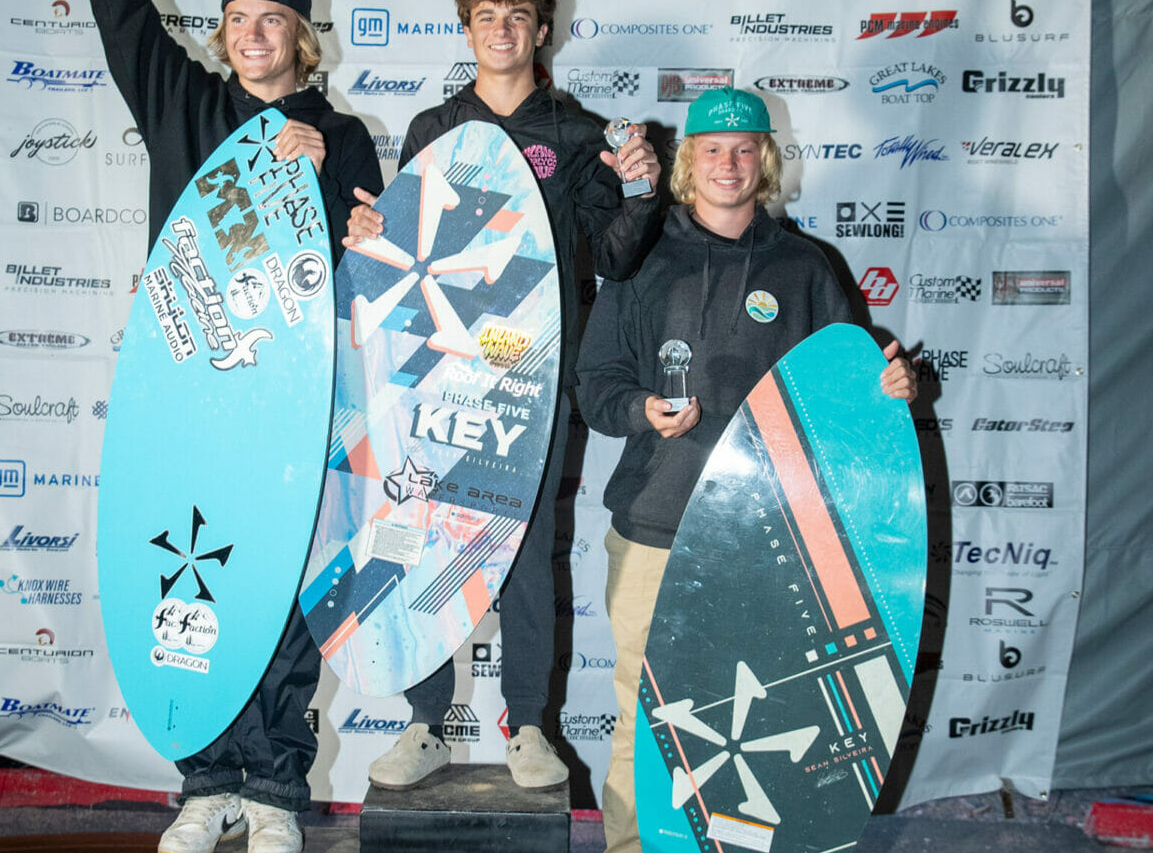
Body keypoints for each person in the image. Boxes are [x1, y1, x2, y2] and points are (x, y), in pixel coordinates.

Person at [573, 87, 917, 853]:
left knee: (763, 725)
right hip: (657, 529)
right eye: (711, 150)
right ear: (687, 163)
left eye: (744, 149)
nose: (728, 164)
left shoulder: (806, 268)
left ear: (765, 159)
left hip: (774, 540)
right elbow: (595, 383)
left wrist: (891, 386)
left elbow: (849, 394)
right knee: (645, 718)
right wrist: (642, 413)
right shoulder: (641, 259)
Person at [343, 0, 663, 792]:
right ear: (467, 27)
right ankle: (425, 723)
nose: (502, 27)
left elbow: (617, 260)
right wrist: (366, 237)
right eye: (486, 12)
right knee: (424, 530)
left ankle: (527, 725)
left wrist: (644, 193)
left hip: (532, 375)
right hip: (438, 368)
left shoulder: (577, 133)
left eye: (518, 13)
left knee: (519, 546)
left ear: (541, 29)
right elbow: (400, 251)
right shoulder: (433, 125)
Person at [90, 1, 382, 851]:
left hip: (299, 398)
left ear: (301, 35)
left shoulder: (345, 135)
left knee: (285, 583)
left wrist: (329, 181)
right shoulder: (186, 103)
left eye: (273, 18)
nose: (254, 34)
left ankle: (276, 792)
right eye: (239, 17)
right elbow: (124, 25)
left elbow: (369, 266)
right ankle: (209, 783)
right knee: (196, 569)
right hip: (190, 395)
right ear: (223, 33)